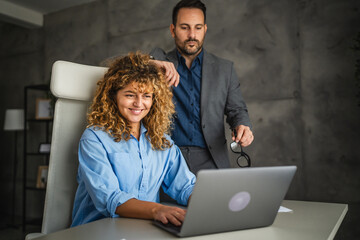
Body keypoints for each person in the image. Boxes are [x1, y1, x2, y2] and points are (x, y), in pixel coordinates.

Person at [71, 52, 196, 227]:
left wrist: (208, 204)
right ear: (113, 96)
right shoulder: (94, 139)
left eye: (146, 96)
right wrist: (157, 210)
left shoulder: (162, 141)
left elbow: (185, 186)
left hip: (144, 230)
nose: (139, 103)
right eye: (130, 95)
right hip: (97, 230)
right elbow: (111, 198)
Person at [150, 0, 254, 174]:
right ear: (172, 30)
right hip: (167, 162)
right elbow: (123, 69)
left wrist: (243, 125)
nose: (192, 35)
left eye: (197, 28)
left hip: (212, 161)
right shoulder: (159, 63)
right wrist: (151, 63)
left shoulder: (225, 69)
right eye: (184, 27)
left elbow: (237, 110)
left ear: (205, 29)